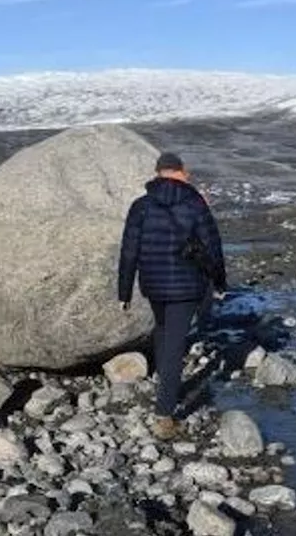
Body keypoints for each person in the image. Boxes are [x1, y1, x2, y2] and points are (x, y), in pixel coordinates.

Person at [117, 151, 227, 440]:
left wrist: (124, 291)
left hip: (153, 284)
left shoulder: (140, 207)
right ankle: (164, 414)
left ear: (157, 173)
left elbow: (129, 251)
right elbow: (213, 245)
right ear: (179, 171)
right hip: (187, 286)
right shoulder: (194, 204)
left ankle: (164, 383)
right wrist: (220, 282)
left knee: (164, 332)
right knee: (175, 344)